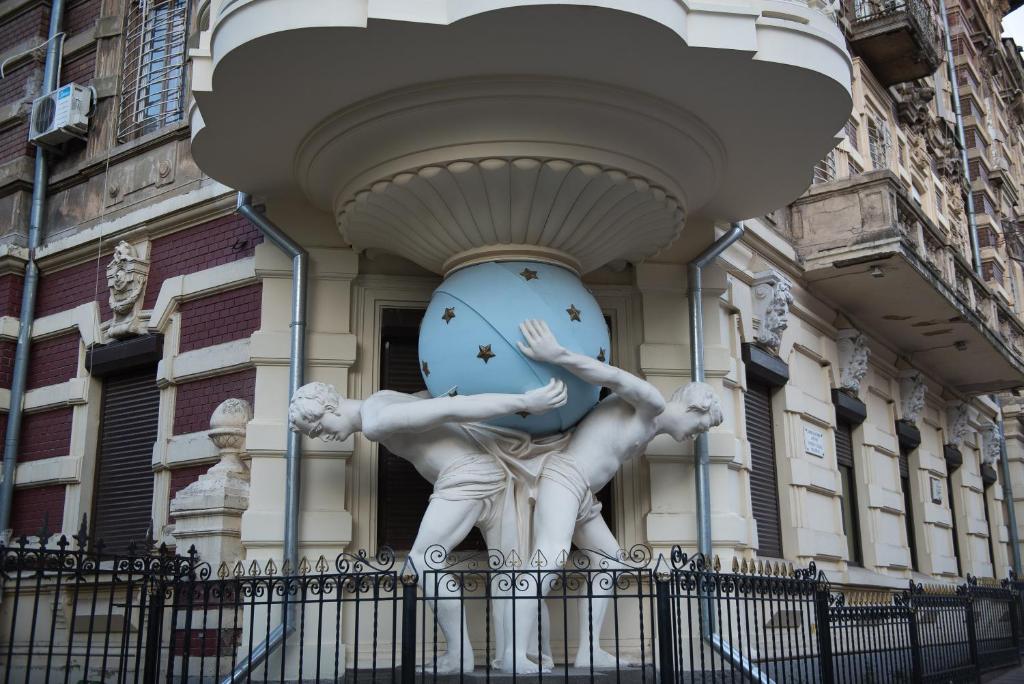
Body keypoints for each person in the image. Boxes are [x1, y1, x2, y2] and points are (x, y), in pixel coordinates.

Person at [289, 378, 568, 673]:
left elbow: (452, 407)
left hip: (465, 477)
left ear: (329, 408)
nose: (323, 437)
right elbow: (442, 393)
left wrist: (527, 403)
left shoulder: (375, 419)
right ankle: (519, 655)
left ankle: (459, 656)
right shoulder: (383, 397)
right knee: (510, 568)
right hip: (492, 474)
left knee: (423, 561)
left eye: (318, 429)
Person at [502, 319, 723, 672]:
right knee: (549, 556)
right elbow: (613, 377)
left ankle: (589, 651)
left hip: (583, 496)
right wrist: (556, 353)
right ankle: (512, 654)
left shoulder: (649, 428)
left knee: (611, 559)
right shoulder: (651, 403)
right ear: (694, 409)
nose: (696, 435)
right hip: (565, 479)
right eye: (701, 426)